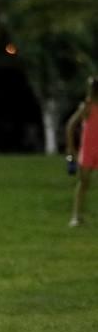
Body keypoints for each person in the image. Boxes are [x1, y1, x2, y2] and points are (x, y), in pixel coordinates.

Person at [66, 76, 98, 228]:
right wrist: (71, 149)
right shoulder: (87, 106)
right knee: (83, 183)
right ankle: (76, 216)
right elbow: (71, 125)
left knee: (84, 183)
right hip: (88, 150)